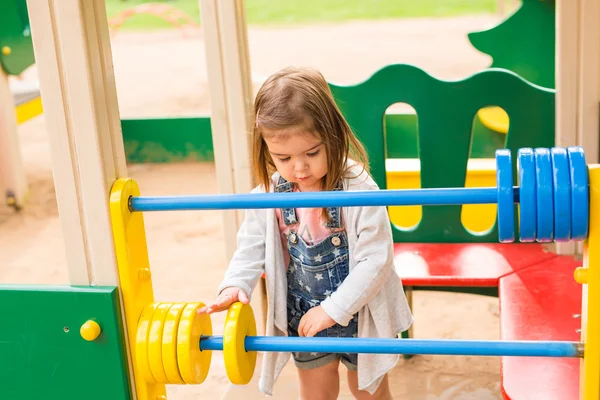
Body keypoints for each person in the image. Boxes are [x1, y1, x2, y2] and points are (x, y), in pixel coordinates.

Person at [198, 66, 413, 400]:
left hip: (360, 314)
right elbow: (250, 246)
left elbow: (376, 260)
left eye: (312, 153)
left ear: (334, 136)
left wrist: (332, 310)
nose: (299, 168)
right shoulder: (270, 194)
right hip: (304, 315)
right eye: (283, 157)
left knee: (370, 391)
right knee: (315, 393)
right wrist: (235, 284)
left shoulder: (358, 189)